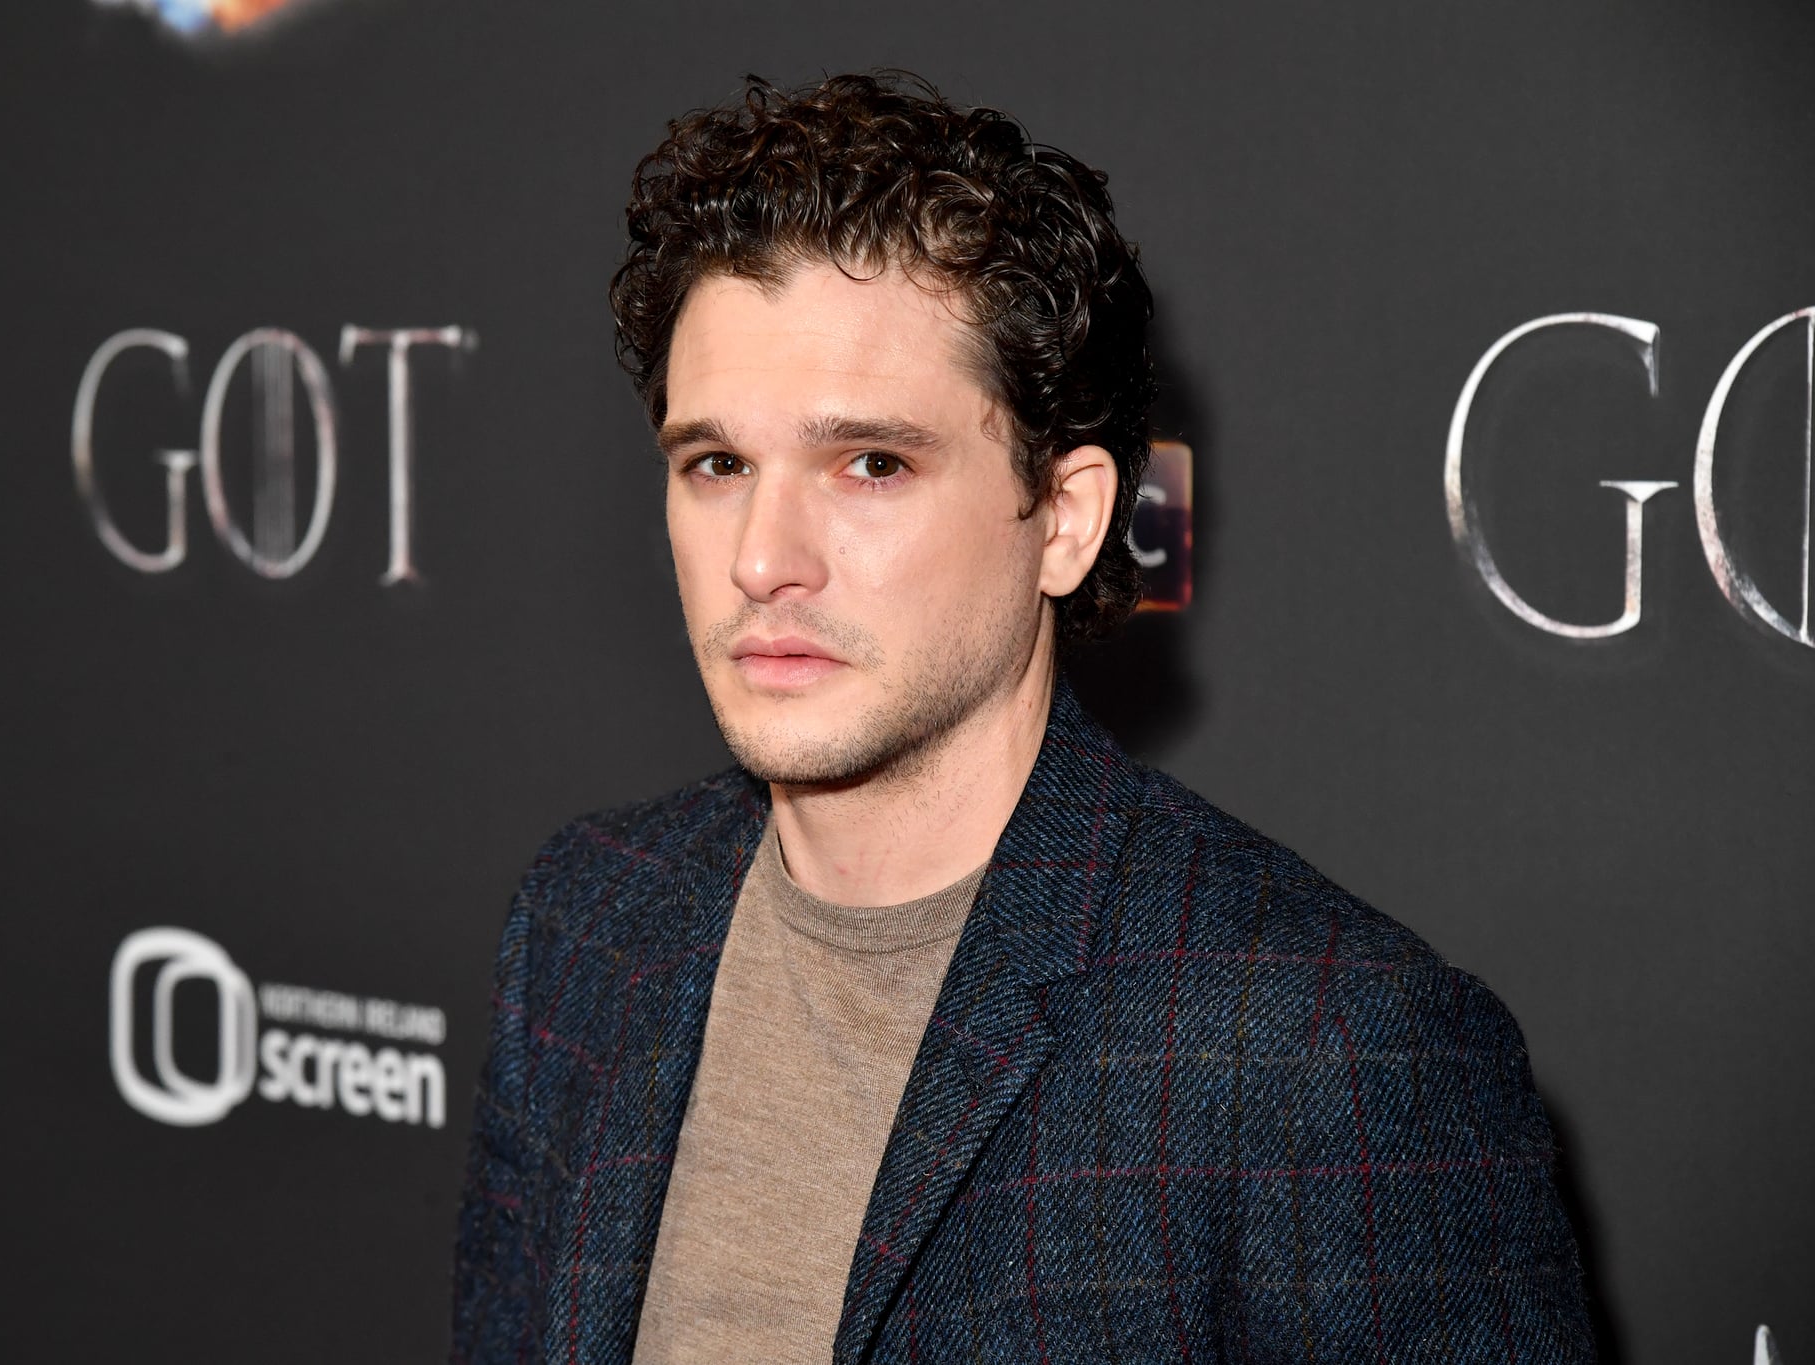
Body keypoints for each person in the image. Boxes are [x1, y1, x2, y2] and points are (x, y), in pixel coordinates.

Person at [450, 71, 1592, 1364]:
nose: (764, 557)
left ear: (1067, 516)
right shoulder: (590, 923)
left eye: (871, 464)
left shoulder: (1324, 1052)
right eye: (716, 465)